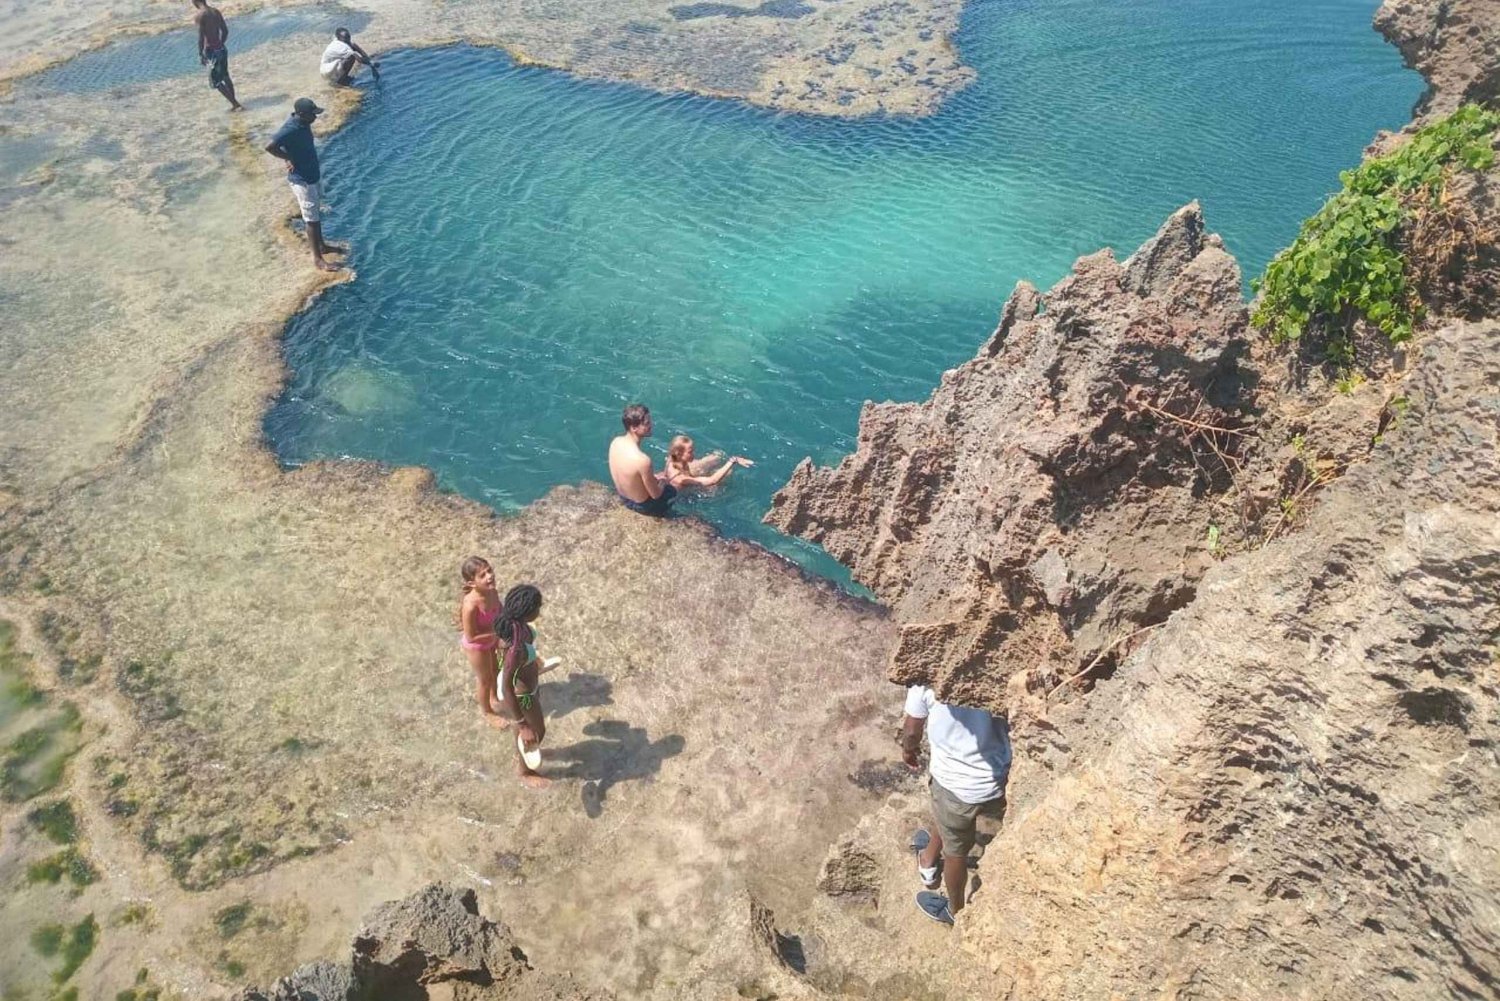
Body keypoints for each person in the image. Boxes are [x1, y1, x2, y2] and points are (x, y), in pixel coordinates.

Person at [900, 684, 1012, 926]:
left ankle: (955, 910)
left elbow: (911, 731)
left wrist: (908, 751)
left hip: (955, 784)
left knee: (955, 853)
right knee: (947, 818)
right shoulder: (995, 673)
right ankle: (928, 858)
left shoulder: (928, 682)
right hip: (1000, 775)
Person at [264, 98, 341, 272]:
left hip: (312, 175)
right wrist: (288, 158)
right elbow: (270, 146)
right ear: (301, 114)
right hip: (302, 180)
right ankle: (318, 260)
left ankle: (322, 246)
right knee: (311, 220)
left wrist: (288, 157)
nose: (315, 117)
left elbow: (288, 145)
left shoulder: (303, 123)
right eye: (312, 114)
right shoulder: (290, 128)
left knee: (315, 214)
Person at [497, 584, 551, 788]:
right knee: (536, 731)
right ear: (528, 612)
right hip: (522, 696)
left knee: (530, 731)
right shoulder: (514, 649)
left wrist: (533, 659)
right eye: (538, 606)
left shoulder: (516, 627)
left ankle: (522, 754)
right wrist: (522, 724)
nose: (540, 608)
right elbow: (506, 688)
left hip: (529, 687)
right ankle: (524, 772)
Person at [457, 557, 510, 730]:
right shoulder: (470, 605)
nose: (489, 576)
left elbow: (499, 608)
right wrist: (496, 634)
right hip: (477, 646)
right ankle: (487, 712)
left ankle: (493, 698)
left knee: (497, 669)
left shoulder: (492, 591)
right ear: (472, 583)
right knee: (485, 680)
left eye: (489, 570)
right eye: (483, 575)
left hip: (492, 639)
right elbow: (471, 636)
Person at [609, 404, 675, 516]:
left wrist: (653, 478)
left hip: (623, 498)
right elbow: (656, 495)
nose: (651, 425)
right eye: (646, 423)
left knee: (657, 479)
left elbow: (631, 472)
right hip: (642, 507)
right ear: (633, 428)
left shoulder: (616, 442)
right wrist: (663, 482)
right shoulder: (643, 460)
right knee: (672, 490)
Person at [192, 0, 243, 111]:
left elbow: (201, 38)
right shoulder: (215, 11)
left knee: (215, 81)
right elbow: (225, 31)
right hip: (221, 49)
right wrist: (220, 44)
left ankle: (235, 104)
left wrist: (200, 54)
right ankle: (234, 103)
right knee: (225, 76)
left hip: (211, 50)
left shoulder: (200, 15)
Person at [663, 436, 753, 491]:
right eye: (690, 452)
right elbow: (712, 480)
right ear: (679, 454)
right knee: (725, 476)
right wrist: (732, 461)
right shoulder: (680, 479)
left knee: (717, 456)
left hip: (686, 472)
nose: (694, 454)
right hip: (686, 490)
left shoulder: (673, 457)